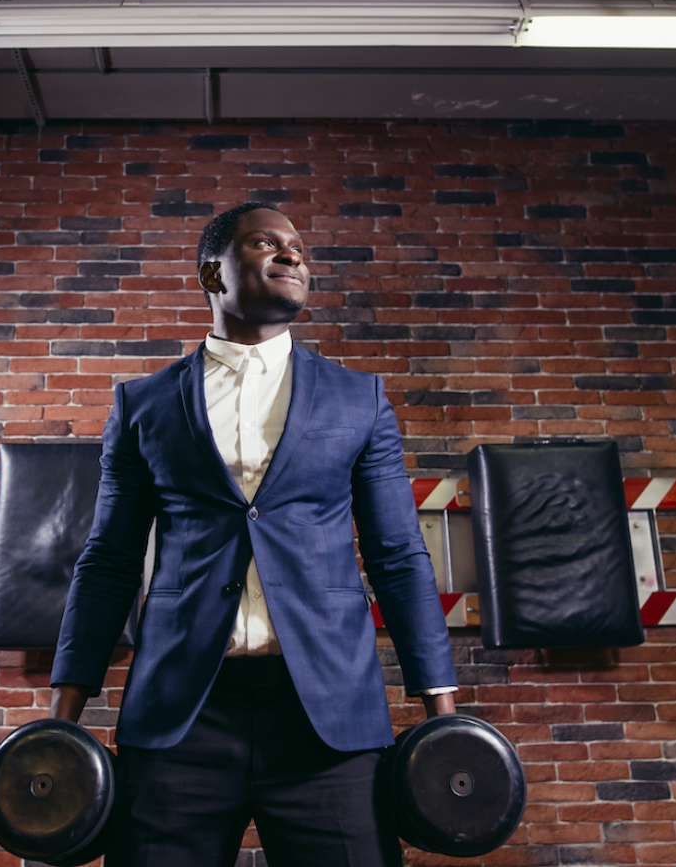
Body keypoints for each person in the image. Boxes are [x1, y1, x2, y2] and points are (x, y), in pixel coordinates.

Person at [48, 203, 458, 867]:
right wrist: (63, 713)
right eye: (266, 243)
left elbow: (398, 557)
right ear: (213, 273)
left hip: (328, 718)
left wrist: (442, 709)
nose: (293, 256)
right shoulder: (142, 404)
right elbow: (109, 560)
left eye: (298, 246)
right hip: (181, 714)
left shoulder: (361, 399)